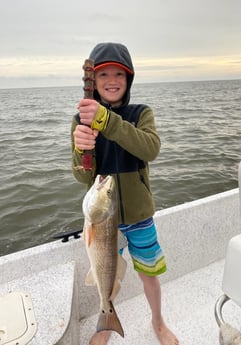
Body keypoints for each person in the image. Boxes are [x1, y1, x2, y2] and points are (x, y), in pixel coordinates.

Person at [71, 42, 179, 345]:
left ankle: (158, 322)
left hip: (140, 218)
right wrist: (82, 149)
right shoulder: (82, 120)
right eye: (103, 74)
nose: (112, 80)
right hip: (104, 223)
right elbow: (82, 177)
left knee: (149, 275)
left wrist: (106, 121)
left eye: (120, 74)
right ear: (94, 80)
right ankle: (104, 325)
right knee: (109, 277)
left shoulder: (141, 113)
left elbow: (150, 148)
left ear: (129, 79)